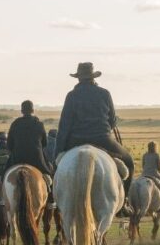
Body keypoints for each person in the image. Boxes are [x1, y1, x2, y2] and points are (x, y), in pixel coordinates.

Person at [56, 62, 135, 213]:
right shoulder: (104, 93)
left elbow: (64, 126)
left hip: (76, 141)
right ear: (93, 77)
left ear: (78, 78)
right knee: (129, 163)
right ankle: (124, 203)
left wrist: (58, 151)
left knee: (56, 167)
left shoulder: (71, 96)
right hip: (103, 139)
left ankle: (56, 200)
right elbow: (112, 120)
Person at [5, 100, 53, 177]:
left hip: (17, 159)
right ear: (33, 110)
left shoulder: (15, 124)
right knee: (49, 173)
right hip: (36, 159)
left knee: (4, 174)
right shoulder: (39, 124)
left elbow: (9, 145)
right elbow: (44, 143)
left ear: (21, 111)